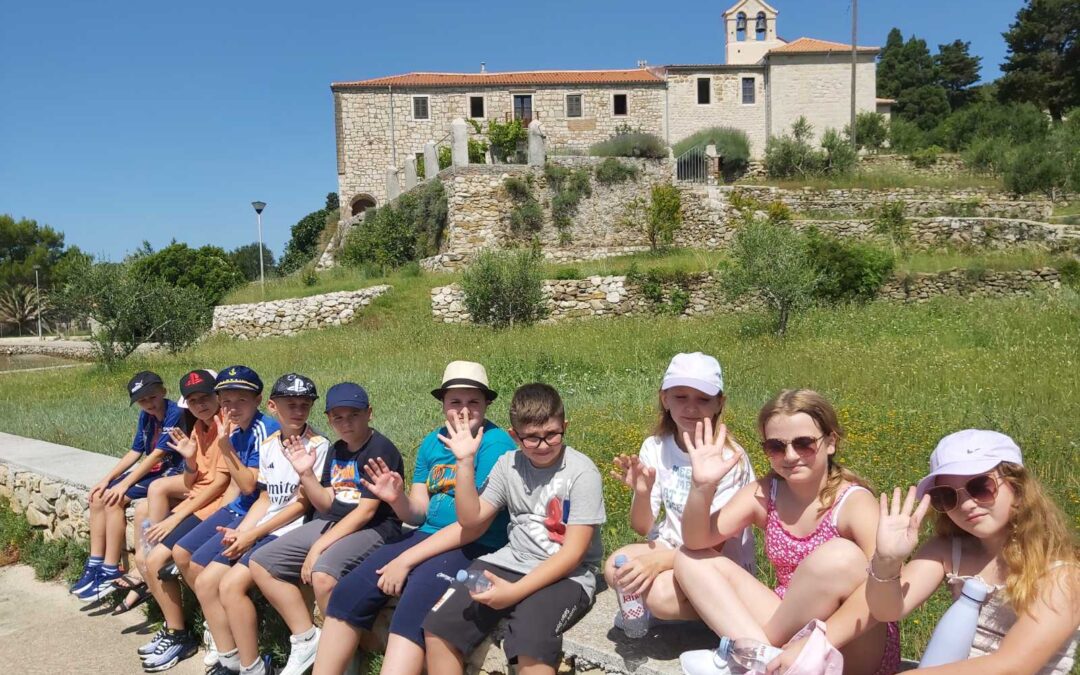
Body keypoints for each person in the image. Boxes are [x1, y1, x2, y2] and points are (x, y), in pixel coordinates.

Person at [314, 361, 517, 675]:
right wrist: (396, 498)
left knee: (413, 605)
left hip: (472, 543)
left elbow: (473, 527)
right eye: (455, 402)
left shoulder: (496, 444)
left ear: (487, 403)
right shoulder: (432, 442)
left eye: (473, 401)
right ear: (443, 404)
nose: (463, 410)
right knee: (347, 592)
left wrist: (406, 560)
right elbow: (418, 512)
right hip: (427, 534)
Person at [675, 389, 898, 675]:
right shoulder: (767, 492)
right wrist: (702, 486)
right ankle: (764, 660)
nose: (790, 456)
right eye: (776, 447)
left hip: (848, 640)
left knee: (841, 557)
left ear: (830, 442)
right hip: (786, 625)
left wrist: (818, 641)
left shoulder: (854, 502)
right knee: (688, 558)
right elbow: (696, 539)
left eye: (804, 443)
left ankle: (752, 657)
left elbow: (882, 590)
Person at [423, 383, 606, 675]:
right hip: (508, 560)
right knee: (438, 625)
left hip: (567, 575)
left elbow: (573, 554)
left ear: (565, 426)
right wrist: (465, 462)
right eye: (531, 438)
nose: (544, 445)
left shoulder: (582, 472)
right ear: (514, 435)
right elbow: (472, 519)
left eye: (552, 435)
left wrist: (515, 592)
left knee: (531, 639)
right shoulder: (508, 464)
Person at [866, 430, 1079, 674]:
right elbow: (887, 610)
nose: (966, 504)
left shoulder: (1062, 575)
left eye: (980, 487)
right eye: (947, 496)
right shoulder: (948, 550)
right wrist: (886, 560)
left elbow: (1013, 666)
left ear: (1018, 488)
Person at [250, 382, 403, 675]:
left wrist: (318, 548)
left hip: (377, 527)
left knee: (323, 575)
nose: (345, 423)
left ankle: (346, 654)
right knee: (262, 562)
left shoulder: (379, 449)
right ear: (329, 418)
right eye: (337, 417)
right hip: (336, 521)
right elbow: (325, 502)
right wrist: (305, 473)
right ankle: (309, 638)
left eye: (353, 415)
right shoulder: (338, 449)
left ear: (369, 413)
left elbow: (366, 512)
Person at [140, 365, 280, 673]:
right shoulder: (217, 427)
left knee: (204, 577)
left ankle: (229, 646)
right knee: (178, 554)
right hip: (235, 506)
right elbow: (201, 482)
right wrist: (190, 459)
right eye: (225, 400)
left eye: (238, 400)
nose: (228, 407)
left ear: (257, 399)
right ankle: (222, 643)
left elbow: (240, 486)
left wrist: (225, 447)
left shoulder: (250, 430)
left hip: (252, 510)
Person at [193, 374, 330, 675]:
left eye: (304, 405)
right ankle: (238, 662)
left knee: (229, 587)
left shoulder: (317, 446)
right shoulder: (269, 445)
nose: (297, 411)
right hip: (264, 527)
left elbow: (301, 505)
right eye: (289, 404)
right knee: (208, 581)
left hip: (290, 529)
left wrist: (253, 533)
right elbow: (266, 499)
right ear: (272, 406)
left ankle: (263, 661)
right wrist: (243, 531)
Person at [605, 353, 755, 628]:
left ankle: (725, 612)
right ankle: (662, 607)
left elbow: (714, 542)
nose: (691, 408)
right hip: (672, 545)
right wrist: (642, 492)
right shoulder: (656, 446)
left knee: (660, 596)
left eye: (703, 399)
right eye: (681, 397)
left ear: (719, 403)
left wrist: (658, 563)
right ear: (665, 399)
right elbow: (642, 527)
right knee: (615, 566)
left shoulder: (730, 458)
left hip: (714, 559)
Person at [71, 371, 184, 603]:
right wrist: (107, 479)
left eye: (152, 397)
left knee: (115, 499)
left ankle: (111, 567)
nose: (149, 404)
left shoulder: (175, 414)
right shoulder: (146, 417)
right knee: (99, 496)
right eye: (142, 401)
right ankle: (95, 562)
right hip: (155, 471)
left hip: (171, 471)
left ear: (163, 392)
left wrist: (123, 484)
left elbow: (157, 455)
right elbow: (135, 451)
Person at [124, 370, 228, 618]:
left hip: (213, 504)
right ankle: (176, 625)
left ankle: (192, 624)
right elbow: (194, 479)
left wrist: (176, 516)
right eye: (193, 400)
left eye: (205, 397)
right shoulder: (199, 428)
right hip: (200, 497)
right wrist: (190, 460)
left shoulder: (225, 428)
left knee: (156, 557)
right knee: (143, 510)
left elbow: (219, 485)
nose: (200, 404)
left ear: (218, 396)